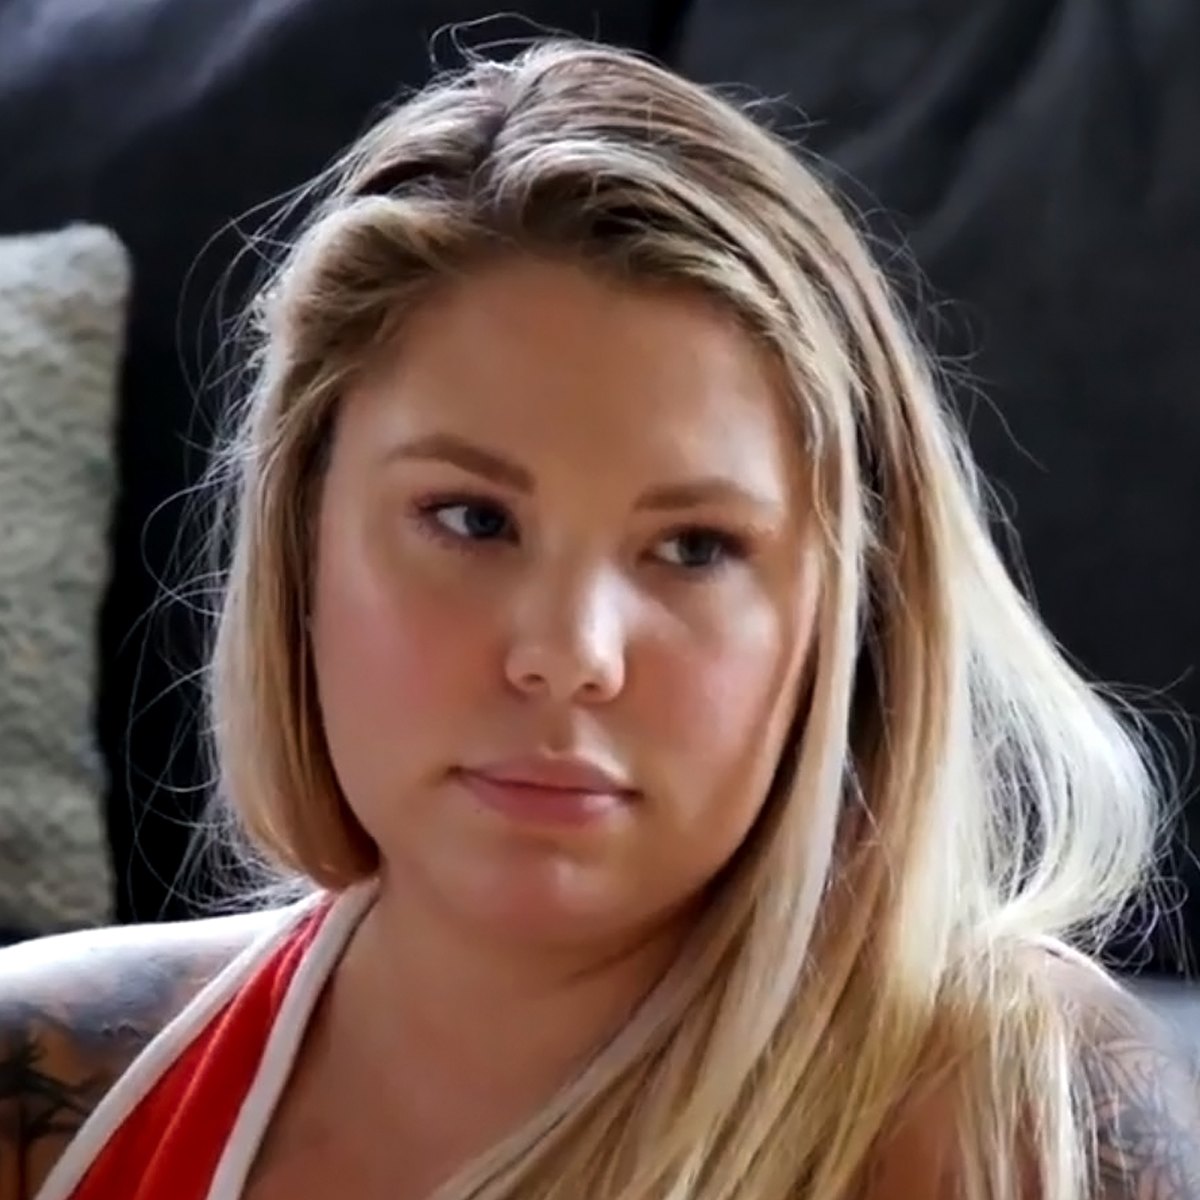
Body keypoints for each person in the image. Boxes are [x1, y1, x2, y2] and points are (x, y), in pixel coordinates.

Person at [1, 38, 1197, 1200]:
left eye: (694, 548)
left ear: (844, 615)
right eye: (471, 519)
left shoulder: (1019, 1107)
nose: (568, 655)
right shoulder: (47, 1092)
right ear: (300, 541)